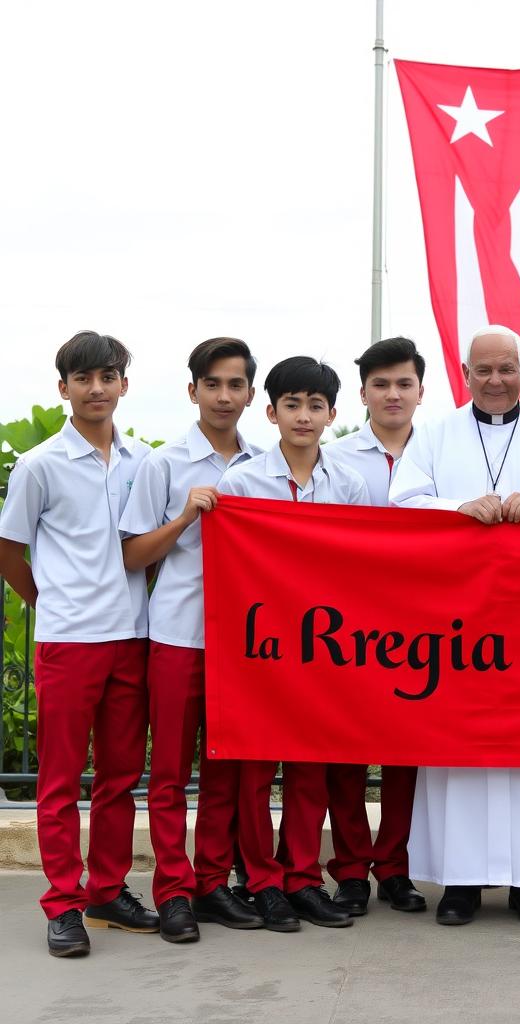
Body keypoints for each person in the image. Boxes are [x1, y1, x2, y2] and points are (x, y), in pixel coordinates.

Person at [389, 324, 520, 926]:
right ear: (465, 374)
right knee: (458, 749)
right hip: (456, 629)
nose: (495, 379)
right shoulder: (432, 436)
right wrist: (456, 510)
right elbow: (403, 502)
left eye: (506, 368)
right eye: (483, 369)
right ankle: (459, 886)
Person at [0, 331, 157, 957]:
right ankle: (63, 902)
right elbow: (11, 552)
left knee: (121, 777)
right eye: (83, 378)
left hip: (133, 637)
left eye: (108, 376)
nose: (97, 388)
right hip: (70, 641)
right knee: (61, 780)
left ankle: (108, 892)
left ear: (123, 384)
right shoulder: (40, 464)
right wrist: (50, 603)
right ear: (63, 387)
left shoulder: (143, 460)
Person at [119, 337, 265, 941]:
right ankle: (173, 891)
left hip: (246, 643)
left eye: (235, 385)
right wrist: (183, 519)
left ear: (252, 395)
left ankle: (212, 883)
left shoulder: (265, 463)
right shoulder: (164, 463)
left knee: (227, 770)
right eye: (213, 384)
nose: (224, 396)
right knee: (172, 771)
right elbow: (132, 555)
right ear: (193, 391)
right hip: (179, 634)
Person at [219, 356, 370, 932]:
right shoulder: (243, 482)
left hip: (322, 651)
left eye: (315, 406)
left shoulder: (349, 485)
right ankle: (262, 881)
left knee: (311, 770)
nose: (303, 416)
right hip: (258, 650)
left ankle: (303, 877)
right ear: (271, 411)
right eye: (292, 404)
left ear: (333, 414)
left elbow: (359, 569)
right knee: (256, 774)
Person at [321, 336, 427, 915]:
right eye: (380, 384)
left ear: (420, 390)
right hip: (351, 629)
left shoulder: (438, 451)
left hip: (420, 629)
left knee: (405, 755)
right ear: (362, 392)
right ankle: (352, 868)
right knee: (347, 752)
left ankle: (395, 866)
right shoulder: (334, 459)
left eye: (403, 383)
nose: (392, 394)